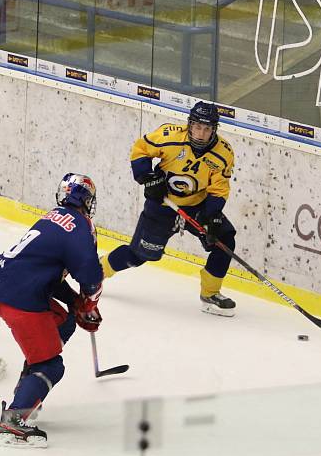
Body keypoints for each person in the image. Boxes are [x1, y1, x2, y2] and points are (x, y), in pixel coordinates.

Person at [0, 173, 104, 448]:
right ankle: (14, 421)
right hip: (23, 299)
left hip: (3, 286)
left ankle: (28, 391)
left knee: (64, 322)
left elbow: (43, 273)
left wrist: (76, 304)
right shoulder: (80, 225)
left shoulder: (52, 217)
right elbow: (91, 274)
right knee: (51, 365)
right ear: (88, 202)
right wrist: (88, 304)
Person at [100, 101, 238, 316]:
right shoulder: (169, 136)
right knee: (138, 255)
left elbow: (219, 189)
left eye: (207, 129)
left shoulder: (224, 153)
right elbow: (140, 149)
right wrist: (147, 177)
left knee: (225, 240)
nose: (201, 134)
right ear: (190, 125)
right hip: (162, 207)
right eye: (197, 127)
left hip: (196, 207)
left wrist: (211, 216)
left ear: (215, 129)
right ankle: (96, 273)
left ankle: (210, 294)